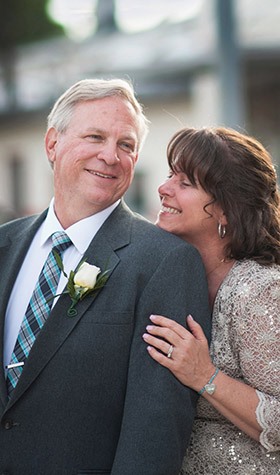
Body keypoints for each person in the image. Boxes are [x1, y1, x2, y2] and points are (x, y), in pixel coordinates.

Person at [0, 79, 211, 474]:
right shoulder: (3, 245)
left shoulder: (165, 262)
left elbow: (156, 429)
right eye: (95, 136)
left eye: (126, 145)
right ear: (52, 144)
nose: (111, 156)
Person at [143, 126, 280, 474]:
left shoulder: (259, 290)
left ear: (225, 211)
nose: (163, 189)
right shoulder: (169, 276)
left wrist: (204, 374)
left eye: (185, 183)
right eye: (170, 175)